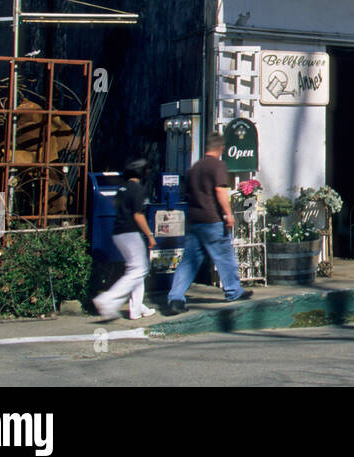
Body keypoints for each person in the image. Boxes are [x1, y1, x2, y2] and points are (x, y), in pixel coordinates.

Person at [164, 131, 253, 314]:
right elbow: (220, 191)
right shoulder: (217, 166)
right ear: (221, 148)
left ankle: (175, 298)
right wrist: (228, 214)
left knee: (188, 262)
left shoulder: (194, 168)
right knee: (225, 256)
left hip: (195, 221)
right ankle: (233, 290)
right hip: (212, 220)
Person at [92, 158, 157, 320]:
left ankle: (136, 308)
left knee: (137, 270)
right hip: (131, 233)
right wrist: (150, 235)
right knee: (138, 270)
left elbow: (116, 204)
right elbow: (138, 215)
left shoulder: (122, 187)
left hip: (118, 233)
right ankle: (108, 300)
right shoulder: (138, 189)